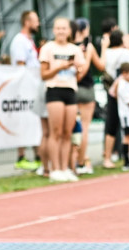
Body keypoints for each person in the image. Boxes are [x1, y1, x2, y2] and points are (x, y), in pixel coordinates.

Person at [39, 17, 85, 182]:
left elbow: (80, 73)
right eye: (58, 28)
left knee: (67, 132)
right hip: (54, 90)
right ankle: (55, 168)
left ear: (69, 31)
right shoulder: (48, 48)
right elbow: (43, 74)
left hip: (70, 90)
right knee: (55, 131)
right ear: (53, 30)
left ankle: (65, 168)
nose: (61, 31)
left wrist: (76, 67)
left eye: (64, 28)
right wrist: (58, 67)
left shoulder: (75, 49)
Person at [8, 10, 44, 172]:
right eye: (35, 21)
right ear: (27, 22)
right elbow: (20, 65)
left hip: (34, 87)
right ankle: (21, 157)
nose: (39, 24)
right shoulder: (19, 41)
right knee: (24, 120)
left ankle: (38, 156)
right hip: (24, 89)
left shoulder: (30, 41)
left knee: (34, 122)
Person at [100, 28, 129, 169]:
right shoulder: (126, 53)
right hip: (125, 90)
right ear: (122, 39)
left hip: (111, 91)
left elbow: (102, 66)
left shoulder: (106, 53)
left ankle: (107, 157)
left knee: (111, 124)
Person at [72, 18, 100, 175]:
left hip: (72, 88)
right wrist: (102, 47)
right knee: (84, 128)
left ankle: (75, 161)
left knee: (71, 128)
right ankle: (81, 162)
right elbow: (101, 65)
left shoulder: (67, 46)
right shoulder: (87, 47)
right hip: (85, 88)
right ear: (83, 30)